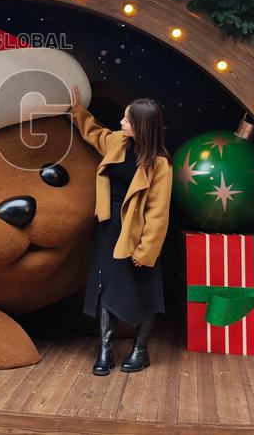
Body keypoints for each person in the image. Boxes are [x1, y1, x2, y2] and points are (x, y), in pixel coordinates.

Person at [68, 85, 172, 376]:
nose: (121, 123)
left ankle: (141, 350)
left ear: (140, 125)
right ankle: (105, 351)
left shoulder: (160, 164)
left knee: (144, 290)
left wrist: (146, 250)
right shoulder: (116, 143)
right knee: (105, 289)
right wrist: (77, 110)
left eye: (127, 119)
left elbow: (158, 212)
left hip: (138, 233)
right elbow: (94, 132)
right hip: (109, 227)